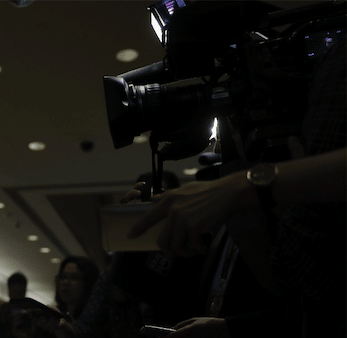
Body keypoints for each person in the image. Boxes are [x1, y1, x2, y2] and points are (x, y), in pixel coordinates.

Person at [127, 37, 346, 337]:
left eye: (232, 119)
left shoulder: (257, 191)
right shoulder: (231, 197)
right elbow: (160, 291)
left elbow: (304, 282)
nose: (218, 141)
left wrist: (249, 185)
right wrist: (137, 243)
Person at [0, 272, 35, 338]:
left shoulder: (30, 314)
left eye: (20, 292)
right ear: (9, 291)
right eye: (15, 292)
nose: (18, 296)